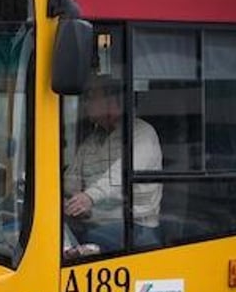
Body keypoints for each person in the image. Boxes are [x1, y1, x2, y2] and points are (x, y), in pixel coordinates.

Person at [63, 79, 162, 252]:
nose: (85, 103)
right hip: (94, 221)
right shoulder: (92, 141)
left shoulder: (142, 133)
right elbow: (72, 178)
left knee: (87, 242)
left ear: (113, 101)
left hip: (134, 226)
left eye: (92, 97)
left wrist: (89, 198)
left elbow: (120, 174)